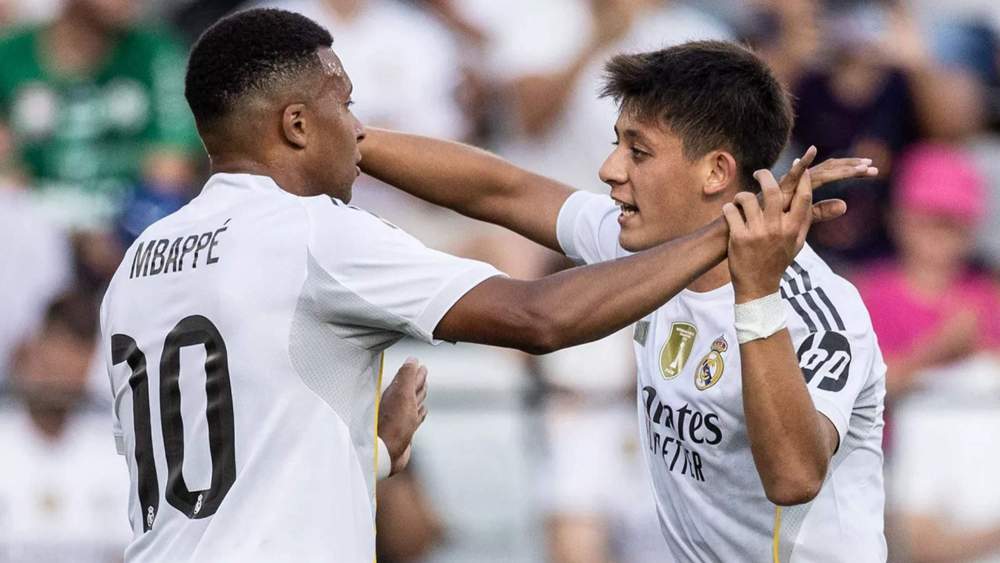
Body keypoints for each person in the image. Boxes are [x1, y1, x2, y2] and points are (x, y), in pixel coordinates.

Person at [100, 9, 852, 562]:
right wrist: (732, 232)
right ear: (296, 126)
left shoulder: (141, 261)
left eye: (635, 149)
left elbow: (225, 470)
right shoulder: (314, 235)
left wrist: (373, 458)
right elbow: (537, 317)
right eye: (347, 105)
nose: (361, 129)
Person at [360, 41, 887, 560]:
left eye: (638, 151)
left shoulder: (819, 310)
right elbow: (501, 190)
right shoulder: (645, 248)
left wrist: (755, 294)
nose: (610, 169)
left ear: (716, 172)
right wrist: (346, 140)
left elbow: (795, 478)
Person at [0, 291, 130, 563]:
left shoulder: (114, 451)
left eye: (75, 355)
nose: (61, 371)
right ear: (31, 350)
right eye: (55, 353)